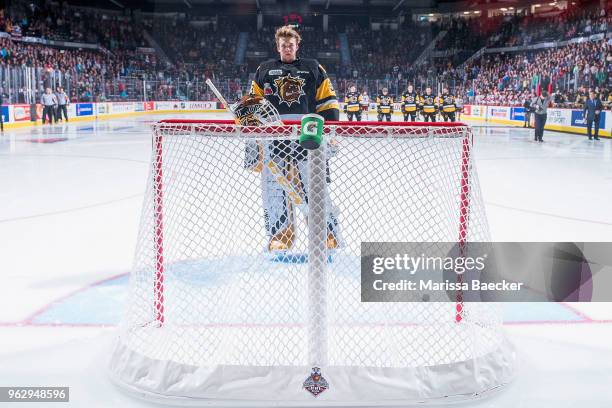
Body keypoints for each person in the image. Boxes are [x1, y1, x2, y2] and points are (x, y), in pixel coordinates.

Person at [249, 25, 340, 251]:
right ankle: (280, 235)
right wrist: (252, 141)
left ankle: (327, 234)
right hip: (274, 140)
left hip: (307, 138)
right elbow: (253, 105)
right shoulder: (265, 69)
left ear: (297, 46)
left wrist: (331, 133)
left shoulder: (313, 67)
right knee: (274, 190)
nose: (287, 48)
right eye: (283, 45)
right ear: (277, 47)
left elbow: (327, 102)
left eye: (291, 45)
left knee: (315, 187)